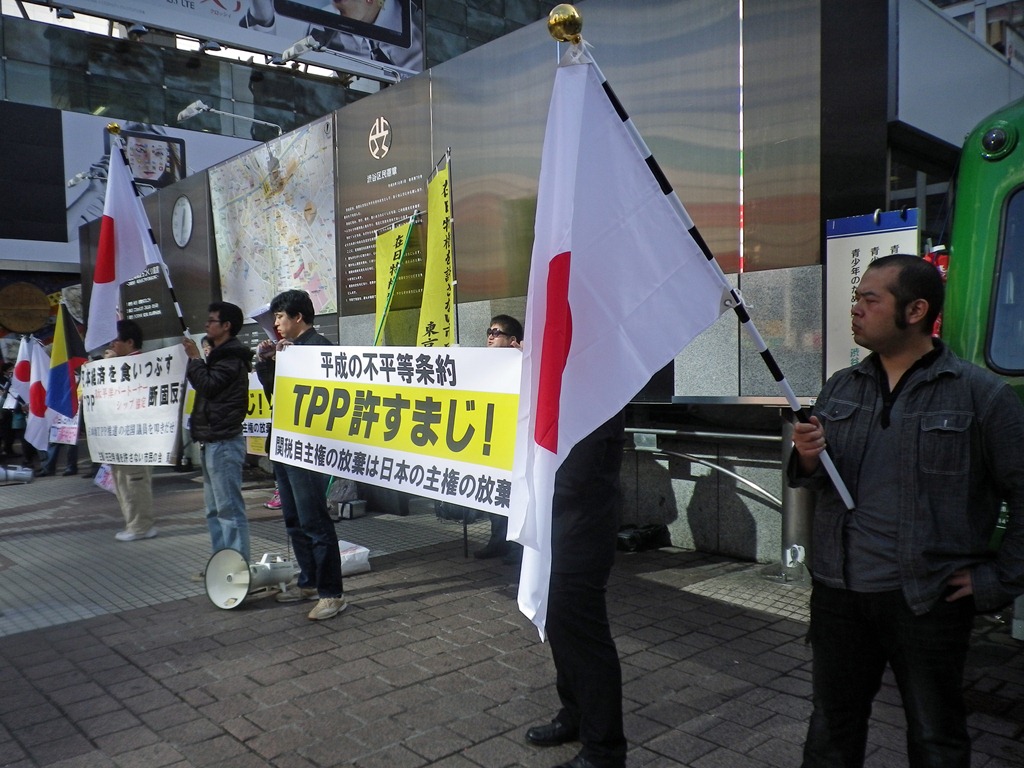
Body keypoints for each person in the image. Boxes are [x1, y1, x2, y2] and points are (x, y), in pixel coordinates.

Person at [790, 254, 1024, 768]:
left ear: (916, 311)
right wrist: (805, 456)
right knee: (831, 728)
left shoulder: (980, 395)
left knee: (935, 734)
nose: (856, 309)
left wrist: (997, 580)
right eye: (857, 298)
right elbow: (817, 477)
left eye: (870, 300)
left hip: (926, 599)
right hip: (839, 593)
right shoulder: (842, 386)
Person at [525, 412, 628, 768]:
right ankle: (575, 714)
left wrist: (523, 482)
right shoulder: (568, 393)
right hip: (557, 532)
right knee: (561, 629)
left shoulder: (595, 399)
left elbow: (573, 478)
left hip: (580, 534)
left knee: (585, 641)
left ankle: (604, 750)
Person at [255, 289, 347, 621]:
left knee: (314, 520)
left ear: (298, 317)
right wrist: (266, 363)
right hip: (283, 444)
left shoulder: (319, 347)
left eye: (280, 316)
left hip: (307, 447)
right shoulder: (288, 349)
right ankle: (308, 582)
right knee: (293, 519)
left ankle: (332, 594)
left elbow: (329, 394)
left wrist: (291, 360)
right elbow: (274, 394)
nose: (276, 324)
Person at [184, 303, 254, 565]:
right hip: (211, 441)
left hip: (224, 443)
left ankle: (238, 569)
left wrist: (195, 359)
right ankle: (221, 566)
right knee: (214, 510)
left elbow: (208, 385)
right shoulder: (220, 355)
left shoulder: (231, 358)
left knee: (229, 510)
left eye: (212, 321)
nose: (206, 325)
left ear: (226, 326)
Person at [474, 314, 524, 564]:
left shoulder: (525, 362)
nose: (490, 337)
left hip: (517, 438)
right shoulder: (484, 364)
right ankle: (498, 541)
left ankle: (518, 547)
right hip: (492, 437)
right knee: (496, 490)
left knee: (518, 494)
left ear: (512, 339)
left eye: (496, 332)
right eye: (489, 332)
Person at [109, 320, 157, 542]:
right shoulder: (117, 365)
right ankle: (133, 523)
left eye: (116, 340)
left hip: (136, 437)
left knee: (134, 481)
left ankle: (141, 526)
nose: (112, 345)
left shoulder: (140, 365)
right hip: (119, 436)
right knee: (122, 481)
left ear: (129, 342)